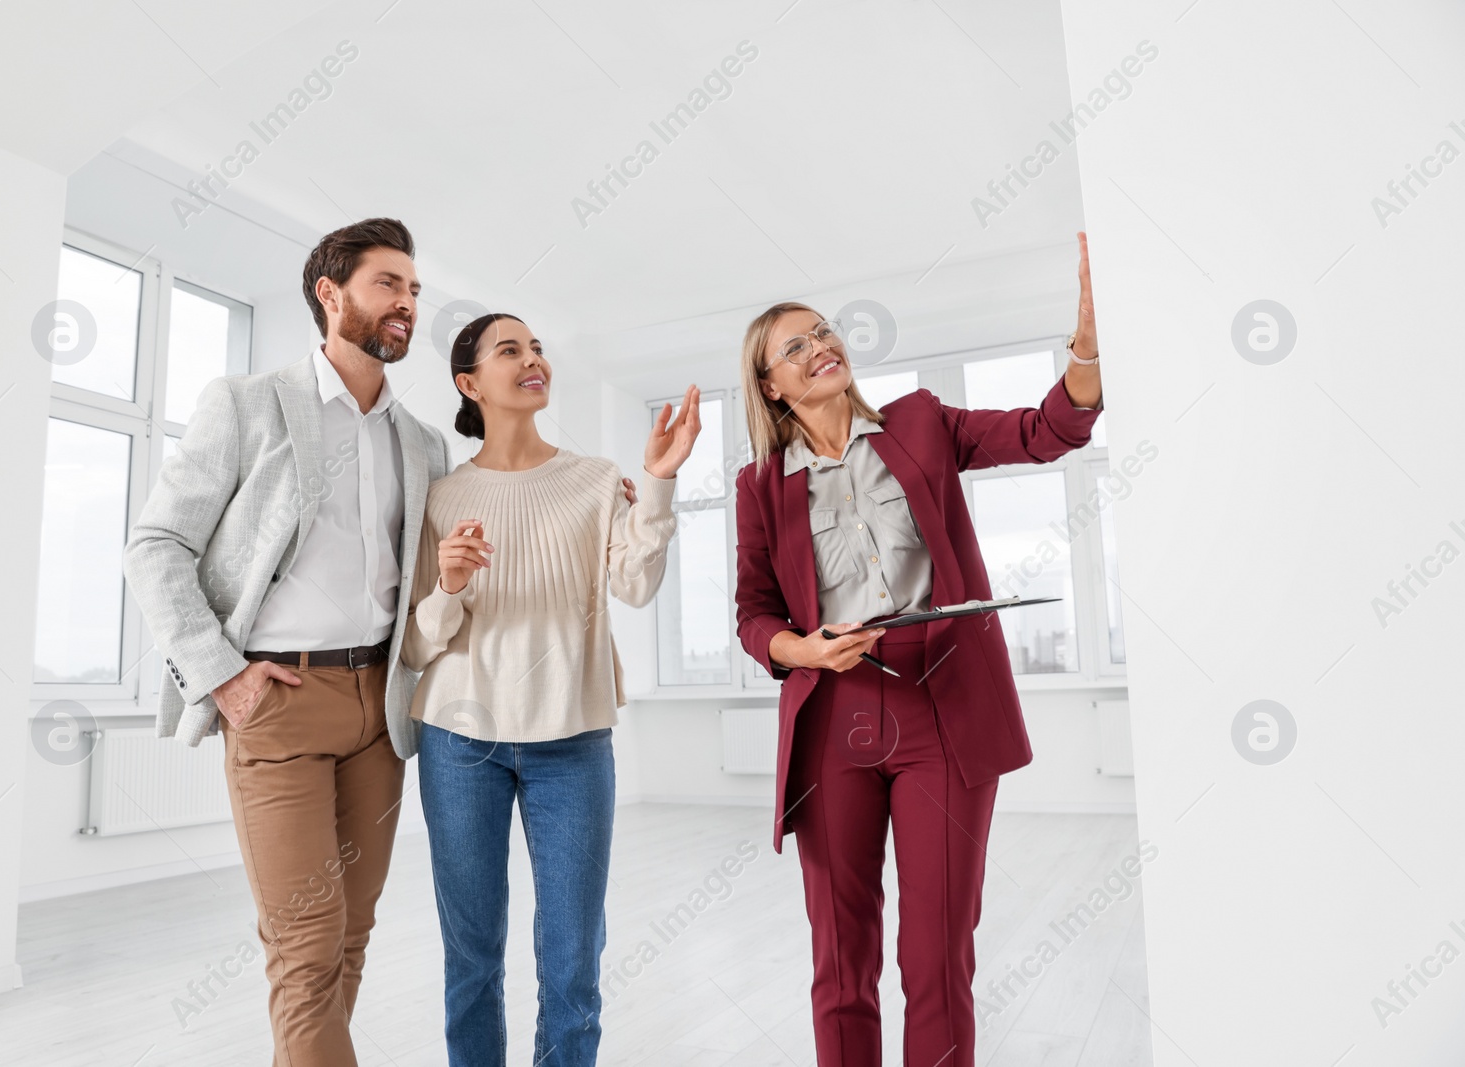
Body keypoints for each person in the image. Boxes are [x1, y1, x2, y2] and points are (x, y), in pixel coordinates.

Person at [731, 233, 1105, 1067]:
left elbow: (1049, 430)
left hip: (942, 708)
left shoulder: (922, 422)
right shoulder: (760, 485)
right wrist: (803, 647)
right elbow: (754, 613)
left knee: (936, 955)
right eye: (795, 346)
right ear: (772, 385)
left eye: (824, 331)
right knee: (841, 963)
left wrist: (1086, 343)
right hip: (834, 720)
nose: (820, 346)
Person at [123, 218, 451, 1066]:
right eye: (389, 284)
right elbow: (157, 544)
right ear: (330, 294)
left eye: (414, 289)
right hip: (279, 703)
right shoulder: (247, 403)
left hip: (379, 710)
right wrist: (222, 676)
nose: (407, 303)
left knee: (349, 938)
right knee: (305, 945)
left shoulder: (422, 443)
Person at [400, 312, 700, 1067]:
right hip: (457, 739)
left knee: (572, 961)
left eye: (536, 348)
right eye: (511, 350)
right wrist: (454, 585)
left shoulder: (597, 479)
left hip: (572, 742)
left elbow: (635, 584)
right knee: (472, 958)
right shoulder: (438, 495)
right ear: (469, 382)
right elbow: (414, 641)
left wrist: (658, 481)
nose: (533, 359)